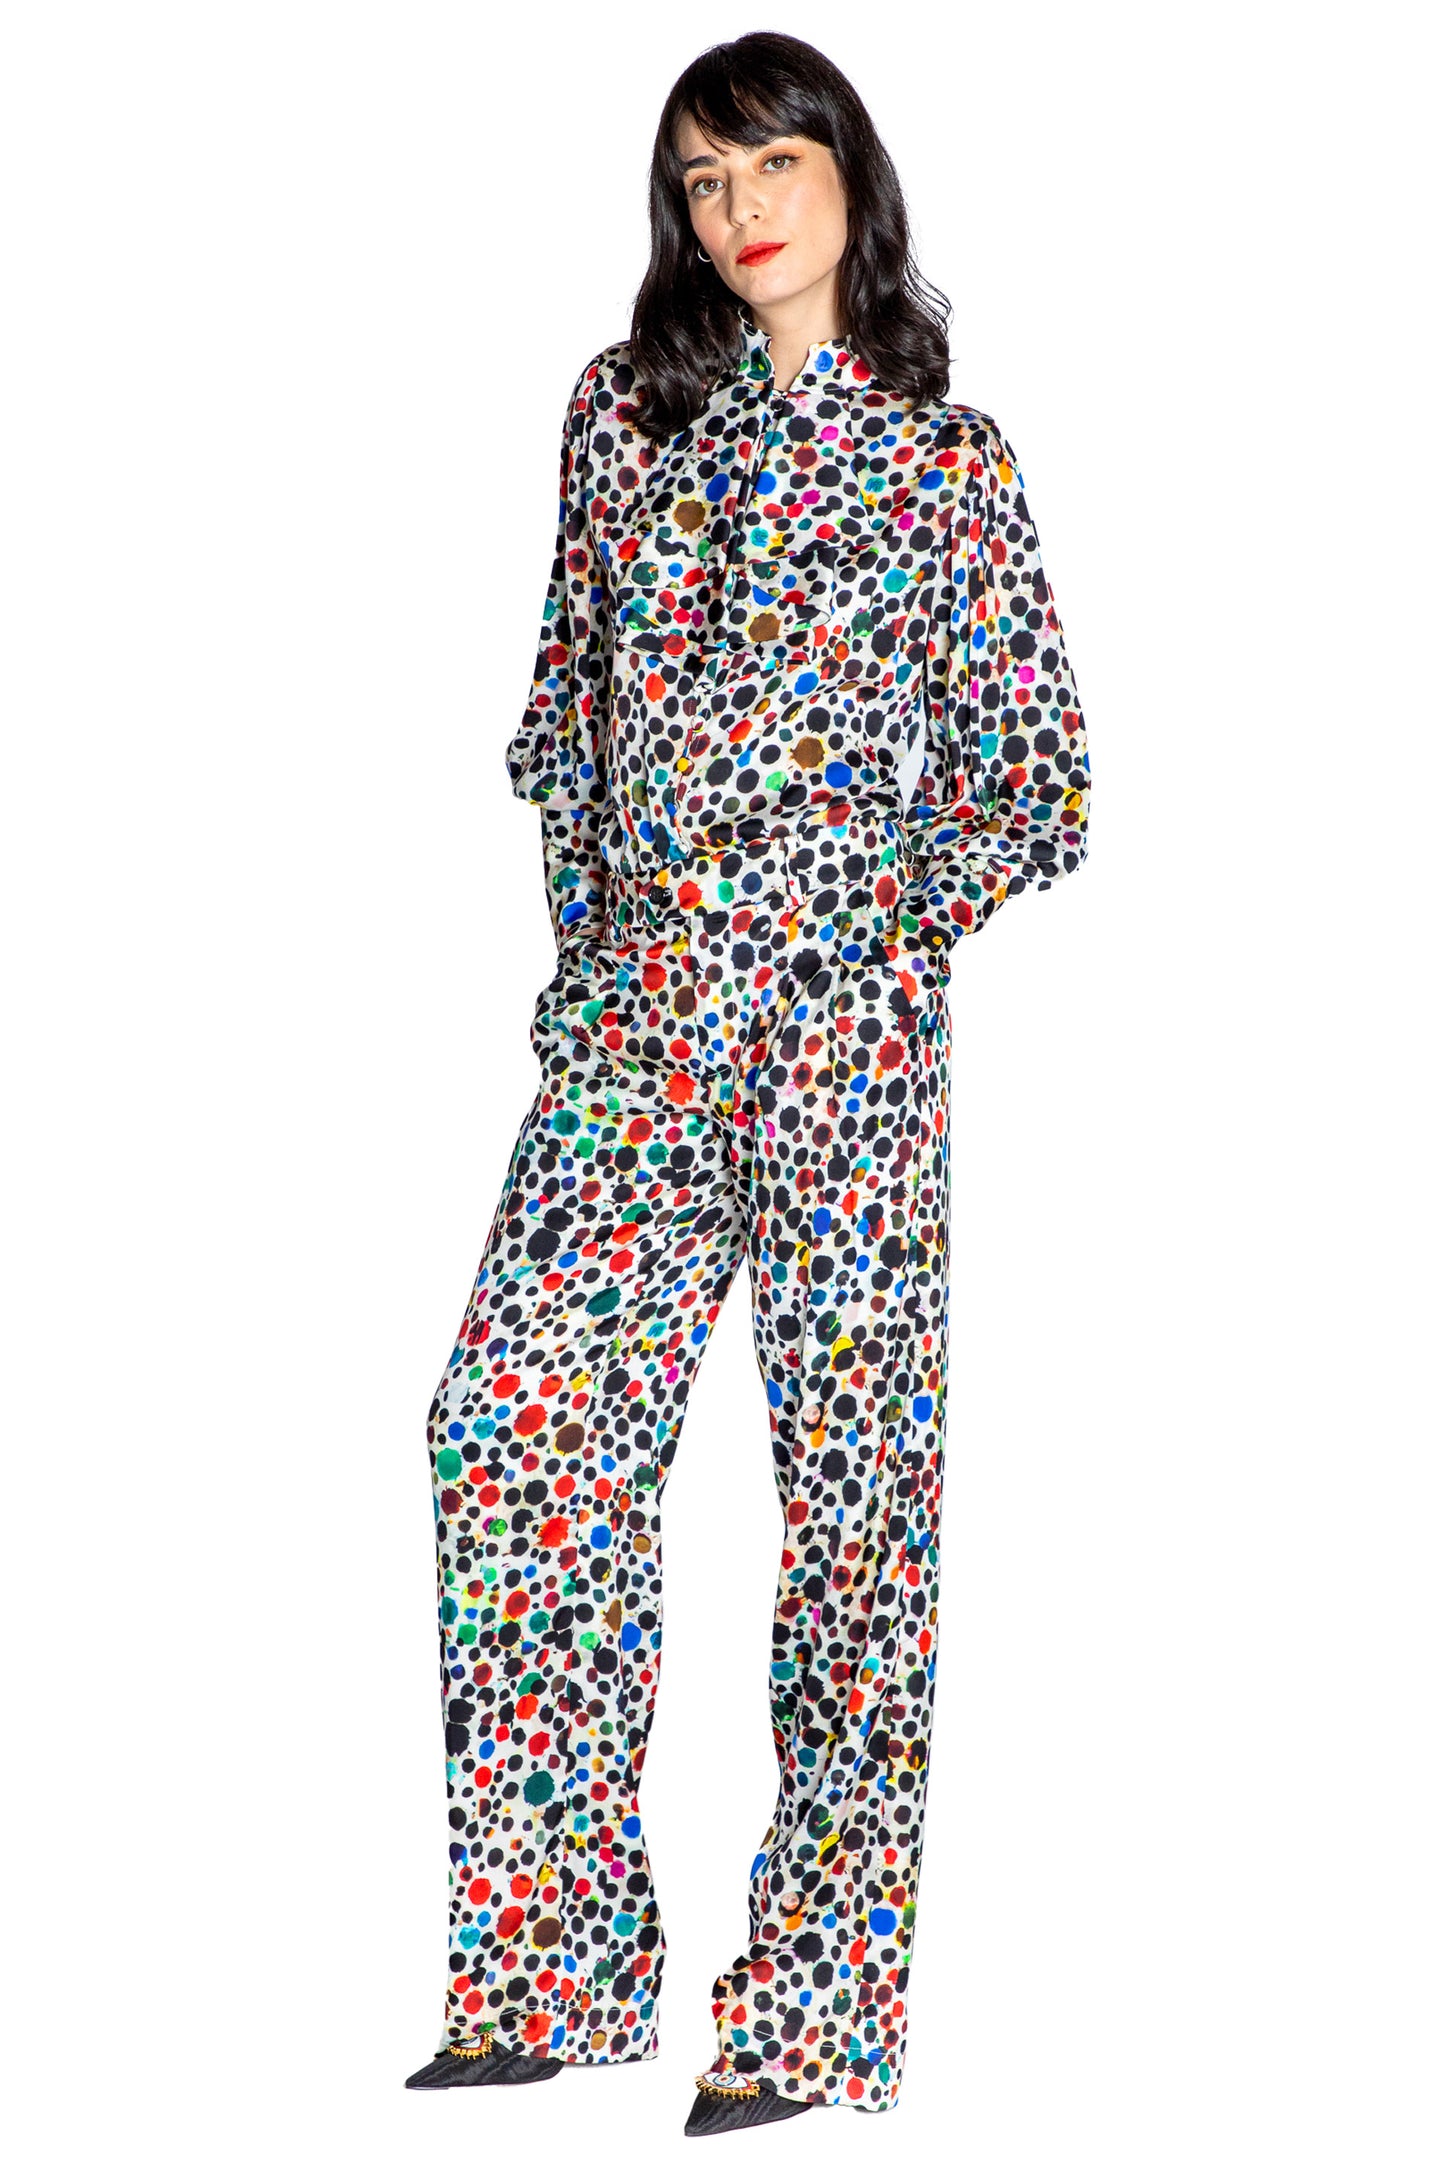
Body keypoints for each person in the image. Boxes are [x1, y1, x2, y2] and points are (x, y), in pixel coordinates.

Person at [404, 28, 1090, 2137]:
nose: (738, 211)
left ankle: (805, 2016)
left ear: (847, 178)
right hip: (632, 1040)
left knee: (858, 1520)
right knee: (505, 1435)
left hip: (842, 1053)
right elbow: (560, 723)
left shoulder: (948, 467)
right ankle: (553, 1967)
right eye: (701, 183)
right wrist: (590, 964)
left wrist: (876, 925)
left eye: (771, 164)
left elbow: (1040, 780)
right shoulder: (617, 421)